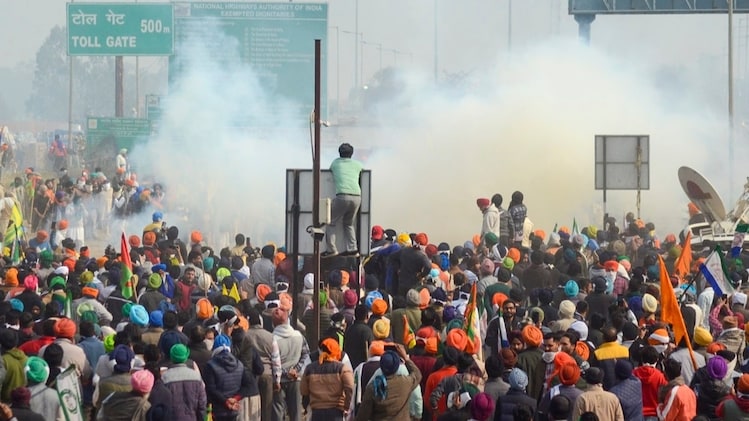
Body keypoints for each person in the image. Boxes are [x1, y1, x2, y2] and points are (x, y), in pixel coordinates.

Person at [355, 346, 422, 421]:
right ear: (397, 366)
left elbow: (362, 416)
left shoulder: (373, 387)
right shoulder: (405, 382)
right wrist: (406, 358)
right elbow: (417, 374)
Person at [323, 142, 363, 258]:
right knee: (348, 223)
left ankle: (332, 249)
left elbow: (330, 172)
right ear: (352, 153)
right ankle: (353, 249)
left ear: (339, 153)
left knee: (331, 221)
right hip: (357, 196)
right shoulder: (357, 164)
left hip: (342, 196)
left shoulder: (335, 163)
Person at [300, 337, 354, 421]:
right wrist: (346, 406)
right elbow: (350, 387)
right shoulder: (342, 368)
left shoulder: (310, 368)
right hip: (336, 412)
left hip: (316, 412)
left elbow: (303, 390)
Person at [162, 344, 207, 421]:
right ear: (186, 357)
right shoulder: (196, 376)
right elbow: (202, 404)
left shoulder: (165, 378)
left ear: (172, 357)